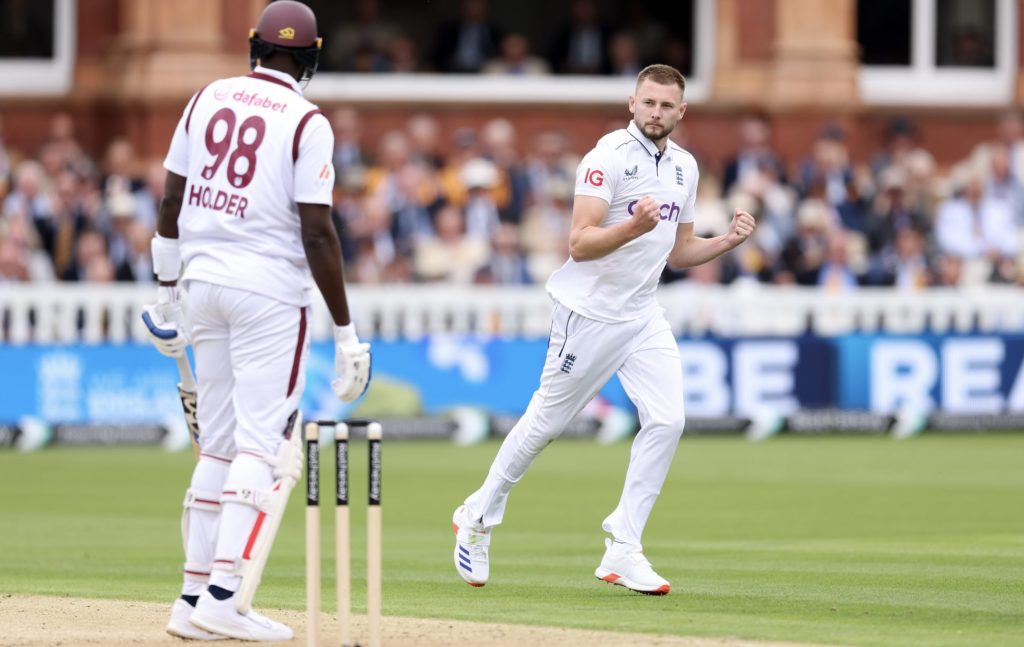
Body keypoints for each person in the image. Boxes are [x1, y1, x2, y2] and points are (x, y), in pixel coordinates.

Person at [452, 64, 755, 595]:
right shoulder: (606, 158)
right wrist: (632, 226)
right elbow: (580, 243)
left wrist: (725, 242)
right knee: (544, 424)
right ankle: (477, 515)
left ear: (681, 112)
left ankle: (624, 546)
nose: (656, 113)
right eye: (649, 103)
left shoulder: (684, 167)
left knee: (668, 420)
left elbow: (679, 253)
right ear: (632, 104)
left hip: (642, 314)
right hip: (589, 314)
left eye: (667, 105)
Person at [141, 1, 371, 641]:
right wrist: (347, 333)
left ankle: (190, 599)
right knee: (260, 447)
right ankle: (221, 596)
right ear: (312, 57)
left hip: (202, 284)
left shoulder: (207, 96)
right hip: (269, 291)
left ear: (254, 48)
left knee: (216, 444)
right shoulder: (307, 119)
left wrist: (165, 294)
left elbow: (169, 199)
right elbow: (318, 232)